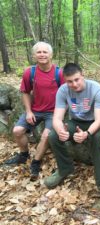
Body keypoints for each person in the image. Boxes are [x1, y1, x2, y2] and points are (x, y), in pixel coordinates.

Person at [43, 63, 100, 194]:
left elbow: (99, 119)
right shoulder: (63, 90)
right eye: (70, 81)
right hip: (75, 122)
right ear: (65, 80)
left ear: (83, 76)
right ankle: (65, 169)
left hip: (94, 123)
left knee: (98, 139)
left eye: (77, 79)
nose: (74, 84)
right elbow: (57, 118)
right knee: (53, 136)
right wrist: (60, 130)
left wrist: (87, 134)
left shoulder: (96, 89)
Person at [4, 42, 64, 181]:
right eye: (39, 52)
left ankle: (35, 162)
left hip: (53, 112)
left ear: (51, 55)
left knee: (45, 136)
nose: (42, 55)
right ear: (34, 55)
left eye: (45, 52)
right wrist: (29, 111)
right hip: (35, 110)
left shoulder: (59, 73)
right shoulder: (29, 72)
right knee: (17, 130)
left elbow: (66, 93)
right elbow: (25, 92)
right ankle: (23, 154)